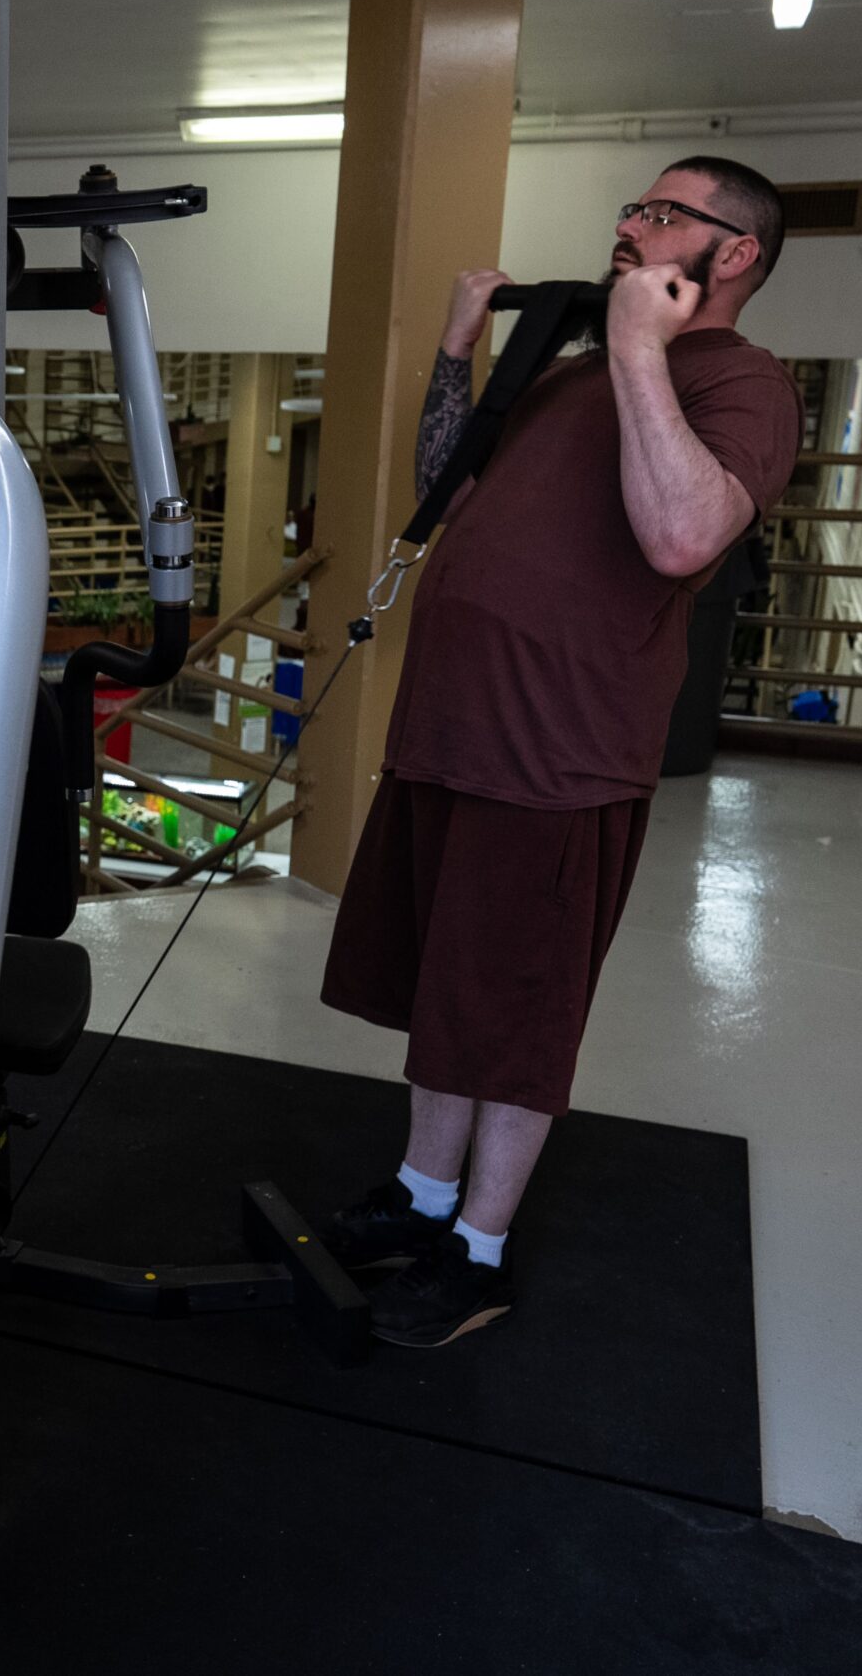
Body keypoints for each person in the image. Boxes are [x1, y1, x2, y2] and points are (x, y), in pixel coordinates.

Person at [318, 158, 804, 1347]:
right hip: (448, 734)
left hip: (556, 756)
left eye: (662, 214)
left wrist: (643, 350)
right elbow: (449, 478)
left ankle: (478, 1246)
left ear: (732, 253)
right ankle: (423, 1194)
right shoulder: (571, 370)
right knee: (443, 993)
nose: (630, 226)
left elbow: (683, 531)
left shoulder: (745, 383)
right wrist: (456, 353)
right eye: (633, 208)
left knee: (516, 1019)